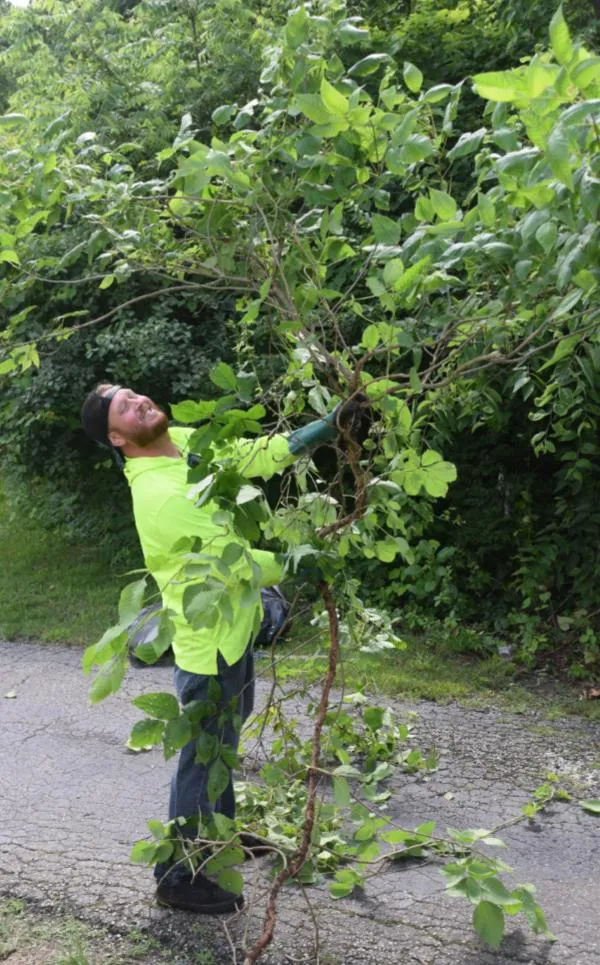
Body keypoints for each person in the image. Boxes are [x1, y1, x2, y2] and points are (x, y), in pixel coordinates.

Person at [81, 382, 367, 915]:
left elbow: (245, 456)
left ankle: (220, 836)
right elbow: (235, 561)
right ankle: (178, 876)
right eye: (124, 407)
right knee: (202, 754)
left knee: (226, 736)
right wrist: (304, 559)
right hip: (208, 647)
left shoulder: (183, 441)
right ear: (118, 437)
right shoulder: (160, 496)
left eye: (133, 393)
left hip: (236, 629)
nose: (139, 400)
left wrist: (324, 427)